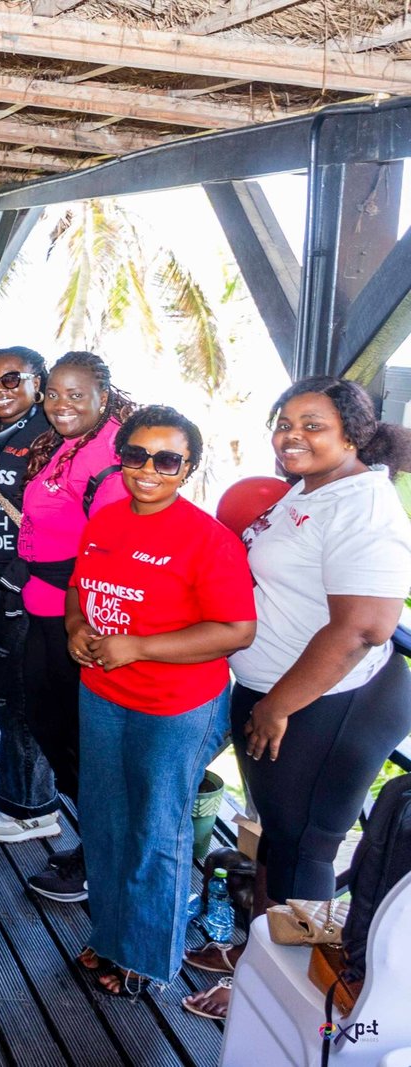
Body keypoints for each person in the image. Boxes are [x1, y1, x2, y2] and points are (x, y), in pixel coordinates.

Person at [183, 377, 411, 1020]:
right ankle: (260, 955)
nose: (292, 435)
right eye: (284, 422)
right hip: (279, 690)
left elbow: (364, 626)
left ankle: (287, 994)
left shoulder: (363, 505)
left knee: (305, 847)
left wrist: (278, 703)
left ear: (353, 433)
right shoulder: (309, 489)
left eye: (313, 424)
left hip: (330, 704)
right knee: (280, 839)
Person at [58, 406, 258, 994]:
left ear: (188, 468)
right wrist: (75, 627)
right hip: (101, 693)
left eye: (166, 459)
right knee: (103, 819)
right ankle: (113, 934)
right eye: (136, 455)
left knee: (155, 830)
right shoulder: (107, 518)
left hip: (173, 707)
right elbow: (79, 587)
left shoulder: (208, 540)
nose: (148, 469)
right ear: (119, 459)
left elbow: (236, 630)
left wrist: (139, 646)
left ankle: (146, 957)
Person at [19, 350, 134, 903]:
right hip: (45, 607)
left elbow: (111, 554)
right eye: (53, 394)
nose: (61, 405)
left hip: (79, 620)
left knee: (82, 745)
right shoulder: (68, 445)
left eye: (76, 395)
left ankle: (99, 861)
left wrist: (85, 623)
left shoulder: (111, 458)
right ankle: (96, 847)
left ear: (102, 398)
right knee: (50, 726)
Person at [0, 347, 63, 844]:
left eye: (11, 379)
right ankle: (23, 798)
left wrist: (23, 573)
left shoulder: (50, 436)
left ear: (37, 383)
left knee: (24, 694)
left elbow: (58, 517)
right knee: (6, 688)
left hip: (25, 580)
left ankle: (32, 807)